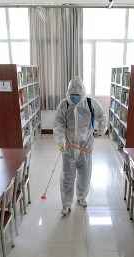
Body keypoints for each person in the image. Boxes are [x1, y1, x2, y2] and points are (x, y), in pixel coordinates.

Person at [54, 77, 107, 216]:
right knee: (67, 177)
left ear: (82, 94)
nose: (75, 98)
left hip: (85, 147)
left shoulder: (90, 103)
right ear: (68, 94)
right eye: (72, 96)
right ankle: (66, 204)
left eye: (77, 95)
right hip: (69, 148)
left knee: (85, 174)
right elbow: (58, 124)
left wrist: (102, 129)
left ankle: (81, 197)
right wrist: (60, 141)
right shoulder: (64, 105)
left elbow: (102, 116)